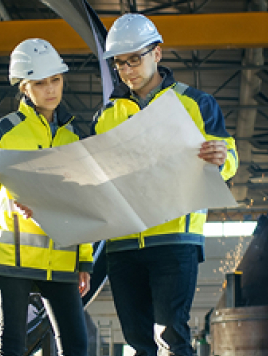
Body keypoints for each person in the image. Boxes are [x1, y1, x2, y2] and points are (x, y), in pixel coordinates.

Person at [92, 13, 238, 356]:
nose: (128, 70)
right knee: (137, 342)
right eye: (120, 63)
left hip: (174, 239)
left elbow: (229, 160)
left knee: (171, 337)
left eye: (135, 59)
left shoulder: (197, 104)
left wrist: (223, 158)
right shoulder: (105, 116)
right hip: (123, 244)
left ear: (157, 53)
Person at [0, 38, 93, 356]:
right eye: (40, 83)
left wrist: (84, 260)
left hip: (62, 256)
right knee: (11, 348)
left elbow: (86, 202)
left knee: (76, 345)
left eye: (56, 80)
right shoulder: (1, 132)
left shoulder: (76, 137)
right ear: (24, 87)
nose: (51, 89)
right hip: (13, 259)